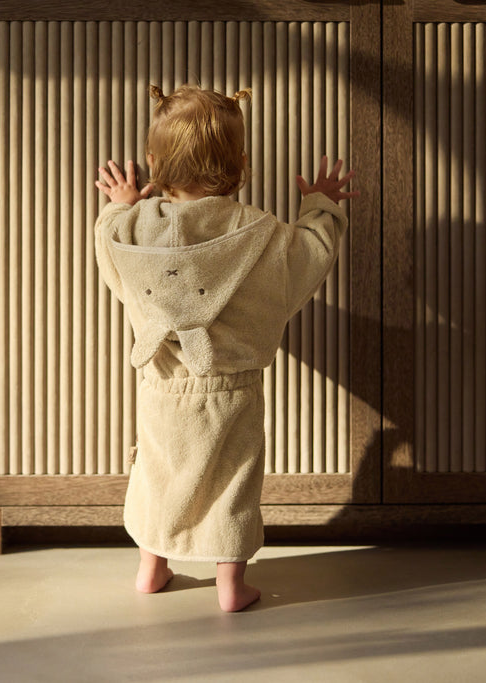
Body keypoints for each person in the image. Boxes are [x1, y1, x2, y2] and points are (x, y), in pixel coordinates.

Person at [94, 84, 358, 612]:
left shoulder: (133, 229)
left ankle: (152, 568)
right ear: (240, 164)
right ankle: (231, 587)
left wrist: (119, 207)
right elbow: (308, 256)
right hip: (231, 392)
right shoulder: (259, 233)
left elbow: (110, 249)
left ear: (153, 164)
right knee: (232, 482)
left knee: (158, 473)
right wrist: (320, 206)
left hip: (160, 387)